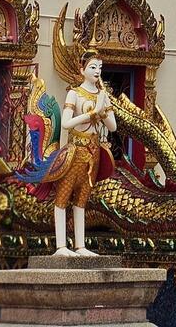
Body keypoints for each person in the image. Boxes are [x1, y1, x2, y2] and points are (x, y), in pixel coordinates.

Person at [40, 52, 116, 255]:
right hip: (75, 151)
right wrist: (91, 114)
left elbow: (113, 126)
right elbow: (66, 123)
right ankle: (61, 246)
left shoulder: (102, 95)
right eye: (93, 67)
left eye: (100, 67)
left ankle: (80, 245)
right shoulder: (75, 93)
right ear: (82, 70)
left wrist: (104, 108)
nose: (97, 71)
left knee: (83, 198)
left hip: (93, 152)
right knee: (64, 195)